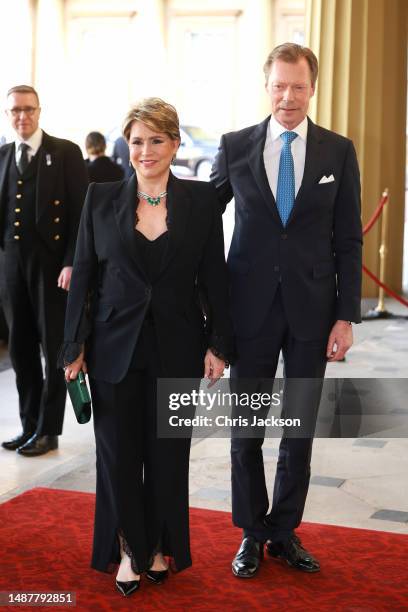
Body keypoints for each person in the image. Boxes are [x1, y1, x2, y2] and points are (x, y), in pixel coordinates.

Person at [59, 97, 233, 596]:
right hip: (113, 348)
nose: (146, 150)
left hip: (178, 346)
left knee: (167, 456)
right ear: (126, 145)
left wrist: (219, 344)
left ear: (175, 144)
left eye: (157, 140)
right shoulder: (100, 199)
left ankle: (159, 545)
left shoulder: (200, 203)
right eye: (137, 141)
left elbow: (214, 280)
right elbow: (86, 278)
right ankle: (130, 550)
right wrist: (74, 347)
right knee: (117, 456)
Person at [211, 43, 362, 578]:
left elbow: (348, 239)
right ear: (266, 85)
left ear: (312, 88)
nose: (288, 96)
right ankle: (252, 533)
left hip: (312, 313)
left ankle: (285, 531)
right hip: (247, 309)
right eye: (279, 85)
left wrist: (345, 316)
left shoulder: (337, 152)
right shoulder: (235, 146)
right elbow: (206, 217)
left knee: (297, 432)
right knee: (245, 429)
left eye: (298, 86)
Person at [0, 85, 88, 456]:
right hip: (10, 267)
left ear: (39, 111)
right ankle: (28, 425)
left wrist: (72, 260)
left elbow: (81, 215)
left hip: (53, 268)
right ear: (8, 114)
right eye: (15, 110)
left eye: (29, 109)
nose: (22, 116)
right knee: (20, 349)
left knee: (53, 349)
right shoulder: (3, 154)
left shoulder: (64, 152)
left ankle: (49, 430)